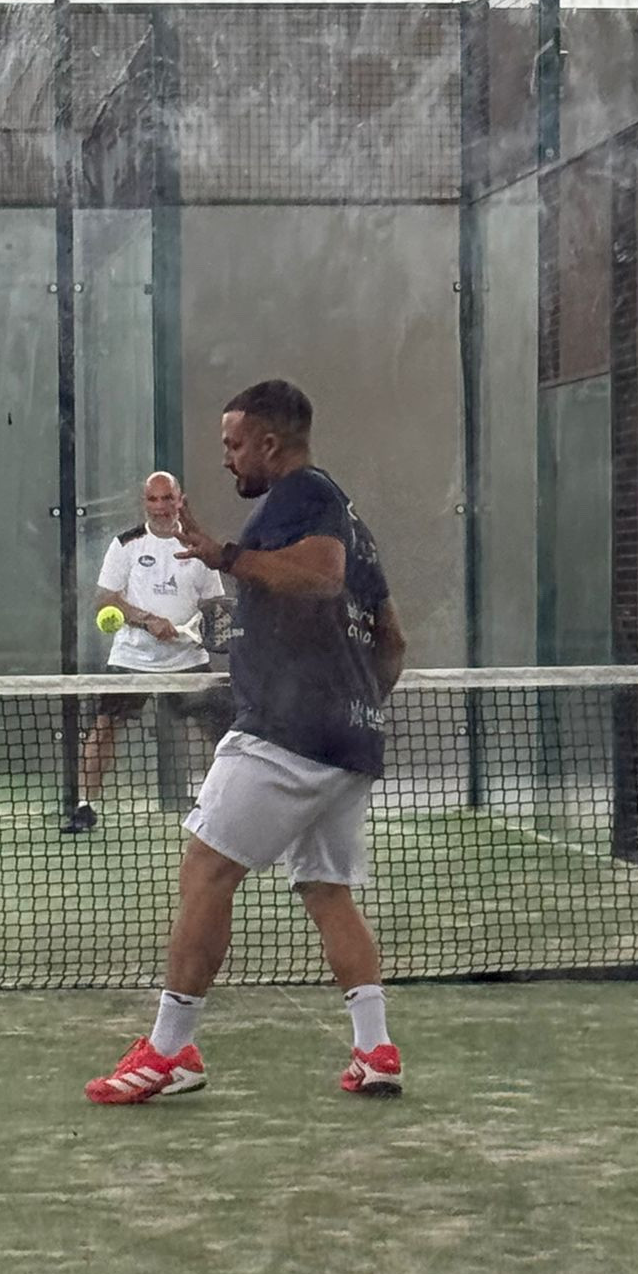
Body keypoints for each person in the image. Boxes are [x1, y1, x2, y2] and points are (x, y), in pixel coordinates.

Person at [85, 379, 407, 1103]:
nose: (227, 458)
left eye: (234, 444)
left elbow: (320, 578)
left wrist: (225, 555)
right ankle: (376, 1049)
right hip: (348, 743)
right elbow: (393, 641)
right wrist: (353, 709)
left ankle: (170, 1051)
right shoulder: (353, 521)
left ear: (269, 442)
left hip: (285, 733)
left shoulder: (301, 495)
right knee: (326, 890)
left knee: (206, 869)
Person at [62, 471, 230, 834]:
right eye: (153, 499)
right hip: (131, 658)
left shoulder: (199, 547)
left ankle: (226, 803)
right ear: (144, 503)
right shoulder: (126, 545)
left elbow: (216, 605)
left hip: (188, 659)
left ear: (180, 501)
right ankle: (84, 806)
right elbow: (105, 600)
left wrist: (198, 628)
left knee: (223, 731)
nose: (160, 507)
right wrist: (146, 620)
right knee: (104, 727)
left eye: (167, 498)